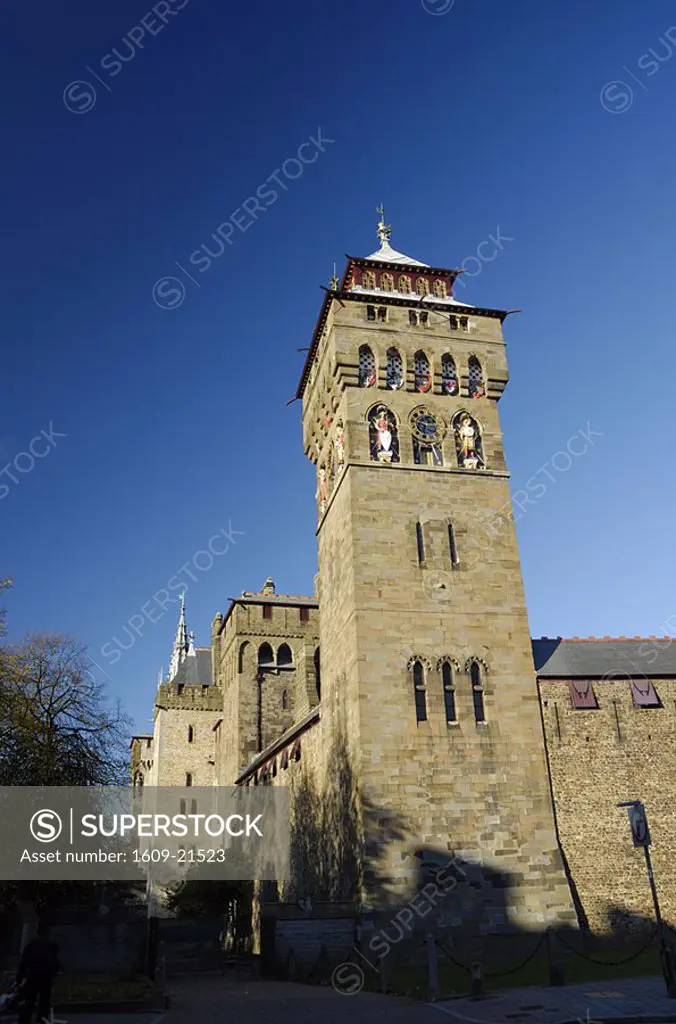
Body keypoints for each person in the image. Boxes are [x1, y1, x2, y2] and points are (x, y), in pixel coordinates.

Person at [16, 921, 60, 1024]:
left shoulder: (31, 945)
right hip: (45, 977)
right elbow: (55, 961)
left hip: (33, 975)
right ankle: (42, 1020)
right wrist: (52, 973)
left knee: (30, 999)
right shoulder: (50, 945)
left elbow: (24, 962)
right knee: (44, 1001)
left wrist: (19, 978)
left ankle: (25, 1020)